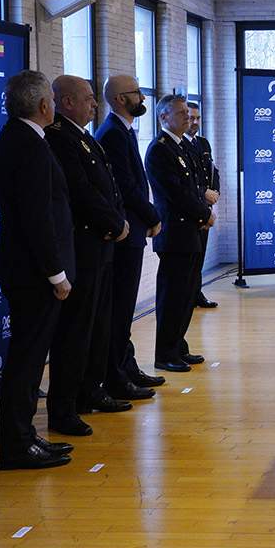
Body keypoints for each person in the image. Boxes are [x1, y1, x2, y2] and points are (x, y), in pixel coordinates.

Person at [0, 70, 77, 470]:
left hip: (28, 270)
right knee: (26, 362)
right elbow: (37, 218)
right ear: (44, 105)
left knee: (29, 360)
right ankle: (17, 443)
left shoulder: (23, 138)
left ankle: (25, 436)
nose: (54, 106)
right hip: (33, 274)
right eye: (53, 101)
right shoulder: (27, 145)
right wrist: (56, 274)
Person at [46, 75, 133, 438]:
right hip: (84, 246)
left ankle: (91, 389)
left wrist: (118, 222)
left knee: (98, 325)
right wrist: (115, 223)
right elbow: (81, 193)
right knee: (76, 331)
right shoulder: (59, 137)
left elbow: (108, 187)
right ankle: (65, 407)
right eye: (88, 98)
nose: (95, 104)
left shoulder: (83, 137)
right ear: (67, 102)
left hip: (102, 244)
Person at [96, 75, 165, 397]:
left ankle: (126, 366)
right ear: (121, 99)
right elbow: (125, 187)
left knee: (124, 310)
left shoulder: (124, 130)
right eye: (137, 93)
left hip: (133, 230)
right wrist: (153, 215)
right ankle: (116, 376)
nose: (143, 98)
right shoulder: (112, 133)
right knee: (119, 309)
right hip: (124, 234)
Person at [145, 95, 214, 371]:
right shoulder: (160, 149)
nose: (188, 117)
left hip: (191, 230)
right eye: (181, 113)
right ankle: (165, 354)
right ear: (164, 117)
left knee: (186, 296)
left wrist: (203, 213)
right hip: (175, 233)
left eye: (188, 112)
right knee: (172, 296)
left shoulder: (183, 145)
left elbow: (197, 186)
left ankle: (178, 346)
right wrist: (204, 214)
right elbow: (176, 193)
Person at [184, 102, 220, 309]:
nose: (195, 122)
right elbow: (186, 182)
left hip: (205, 208)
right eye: (190, 118)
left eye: (198, 118)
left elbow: (212, 171)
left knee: (200, 256)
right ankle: (188, 295)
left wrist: (215, 192)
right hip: (192, 209)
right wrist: (203, 193)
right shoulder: (179, 145)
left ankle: (196, 292)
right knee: (190, 258)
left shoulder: (203, 143)